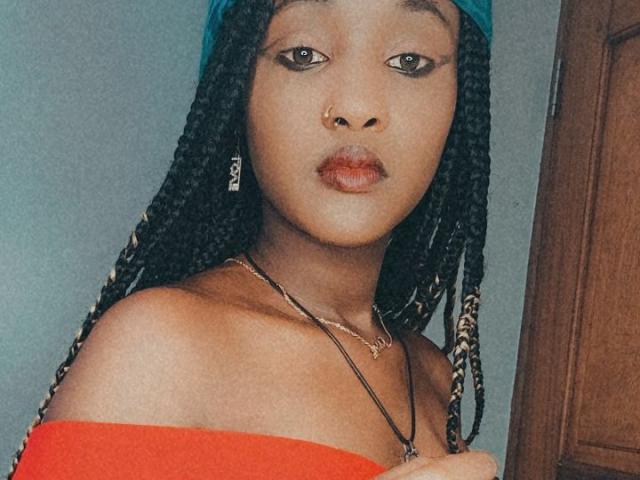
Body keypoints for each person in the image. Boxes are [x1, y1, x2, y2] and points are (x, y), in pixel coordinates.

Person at [8, 0, 497, 478]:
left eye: (409, 61)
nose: (356, 108)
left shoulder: (433, 378)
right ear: (238, 86)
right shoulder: (158, 347)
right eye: (303, 54)